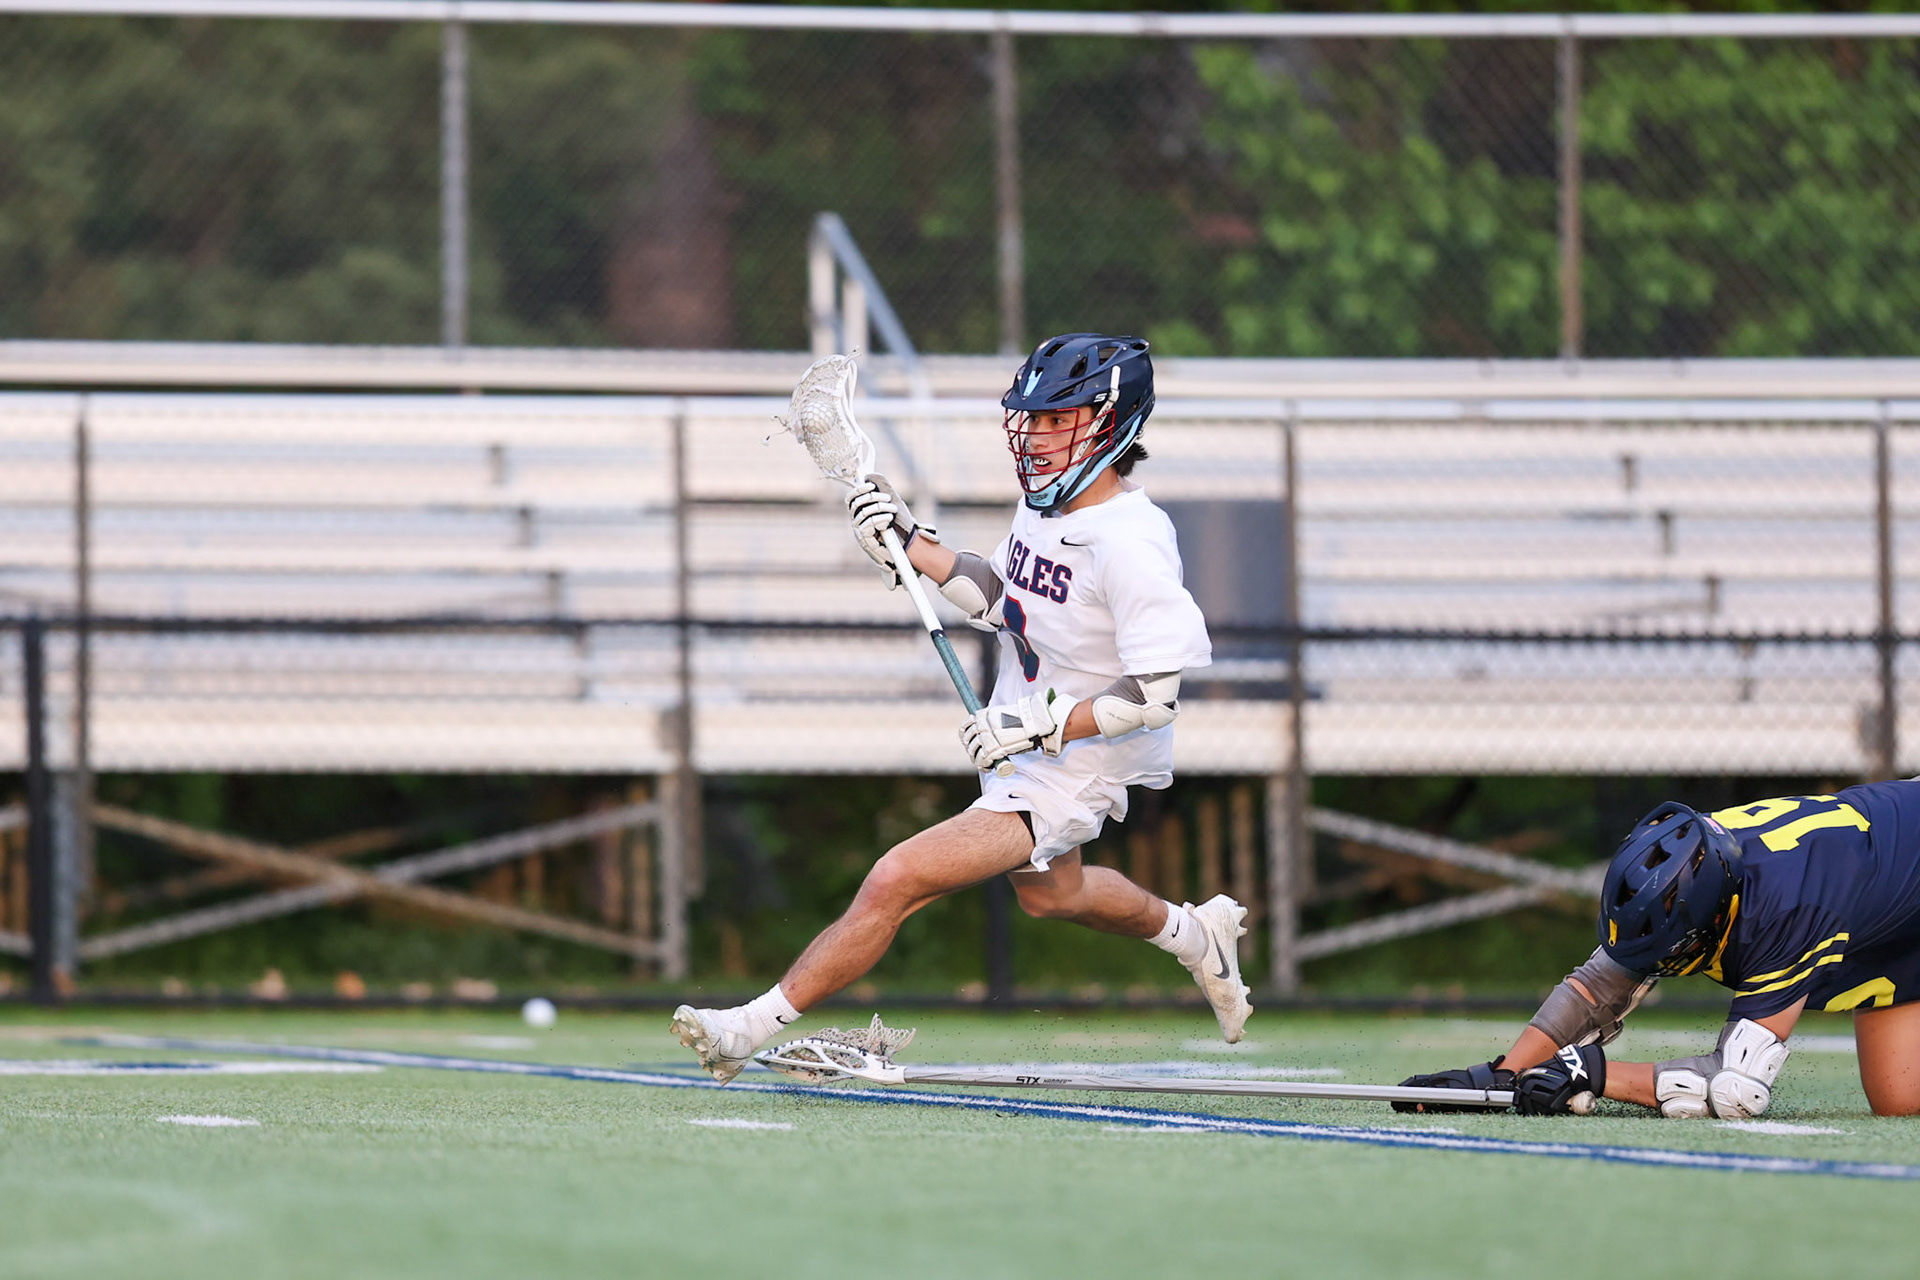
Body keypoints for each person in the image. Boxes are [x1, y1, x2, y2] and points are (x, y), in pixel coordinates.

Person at [672, 333, 1251, 1082]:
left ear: (1112, 426)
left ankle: (745, 1028)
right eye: (1032, 420)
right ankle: (1195, 934)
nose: (1036, 437)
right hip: (1034, 746)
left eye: (1057, 420)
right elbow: (1009, 601)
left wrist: (1037, 724)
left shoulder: (1133, 541)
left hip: (1076, 765)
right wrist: (913, 544)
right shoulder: (1047, 508)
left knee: (896, 878)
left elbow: (1154, 696)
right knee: (1056, 896)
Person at [1398, 783, 1920, 1118]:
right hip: (1897, 908)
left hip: (1883, 880)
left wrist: (1592, 1073)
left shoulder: (1788, 912)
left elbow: (1735, 1089)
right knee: (1901, 1099)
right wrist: (1501, 1077)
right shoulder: (1698, 861)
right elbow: (1598, 988)